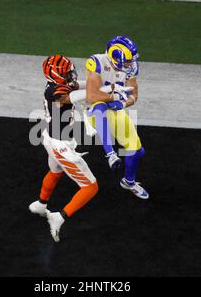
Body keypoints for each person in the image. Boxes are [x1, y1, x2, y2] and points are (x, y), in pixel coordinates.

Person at [29, 55, 99, 242]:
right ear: (57, 76)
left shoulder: (56, 85)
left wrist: (97, 83)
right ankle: (58, 217)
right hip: (61, 146)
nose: (71, 75)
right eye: (67, 73)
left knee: (55, 171)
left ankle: (40, 204)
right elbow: (75, 95)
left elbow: (77, 87)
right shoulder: (55, 93)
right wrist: (109, 90)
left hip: (51, 140)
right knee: (91, 187)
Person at [85, 36, 148, 199]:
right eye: (127, 61)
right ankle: (110, 155)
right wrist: (115, 97)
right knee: (99, 107)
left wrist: (123, 104)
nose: (130, 64)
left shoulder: (132, 66)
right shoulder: (97, 62)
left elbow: (134, 95)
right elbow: (92, 96)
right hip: (95, 108)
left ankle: (128, 182)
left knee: (136, 151)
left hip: (115, 109)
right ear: (116, 57)